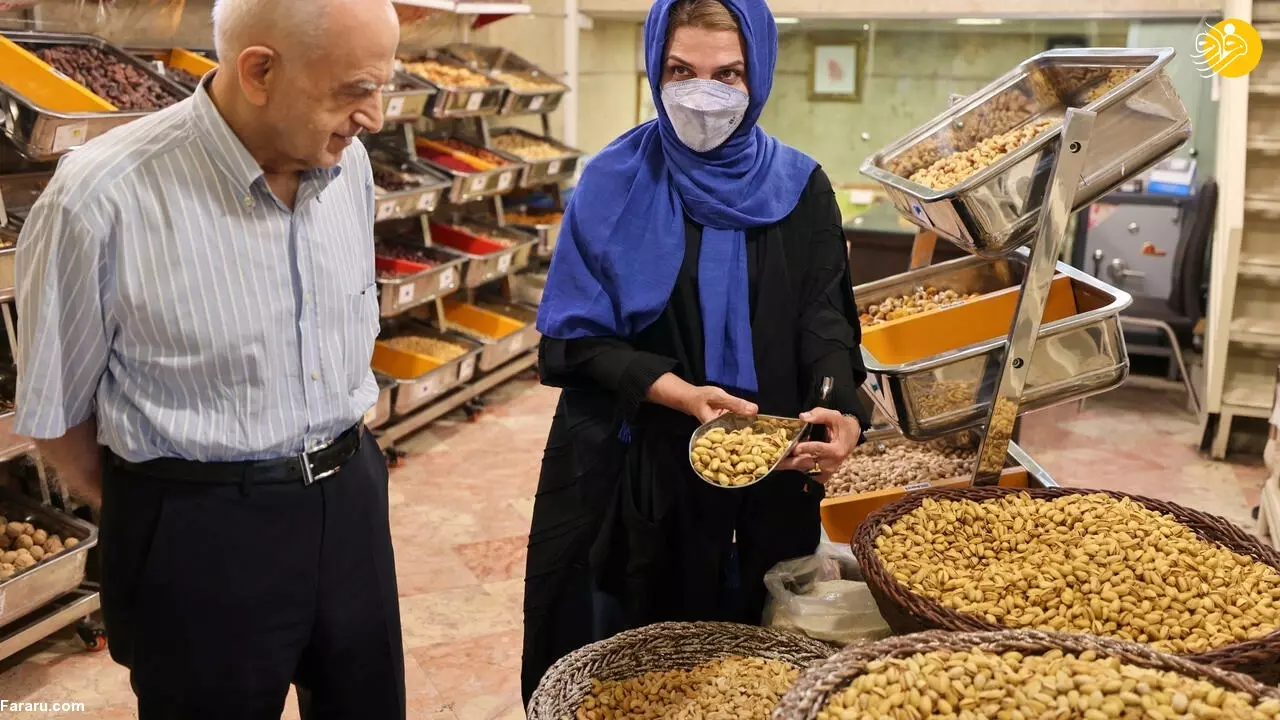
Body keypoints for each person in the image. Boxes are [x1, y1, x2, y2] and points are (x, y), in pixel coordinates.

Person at [13, 0, 405, 717]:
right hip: (200, 533)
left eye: (382, 86)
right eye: (355, 90)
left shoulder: (349, 169)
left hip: (350, 496)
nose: (374, 117)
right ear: (259, 70)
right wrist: (177, 505)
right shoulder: (102, 196)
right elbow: (56, 413)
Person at [521, 0, 871, 702]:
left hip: (773, 470)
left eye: (728, 73)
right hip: (641, 473)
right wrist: (677, 392)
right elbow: (573, 342)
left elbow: (824, 315)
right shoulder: (614, 182)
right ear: (654, 66)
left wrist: (839, 407)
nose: (701, 93)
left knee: (759, 673)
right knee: (645, 675)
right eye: (681, 70)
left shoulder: (801, 187)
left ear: (760, 75)